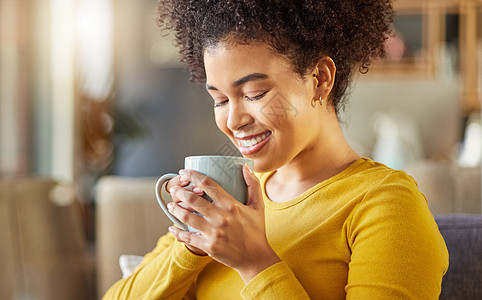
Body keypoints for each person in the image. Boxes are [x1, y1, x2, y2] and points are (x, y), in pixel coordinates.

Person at [103, 0, 448, 299]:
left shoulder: (385, 204)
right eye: (219, 100)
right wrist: (191, 246)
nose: (233, 120)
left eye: (254, 94)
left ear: (320, 79)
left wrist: (256, 264)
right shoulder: (231, 195)